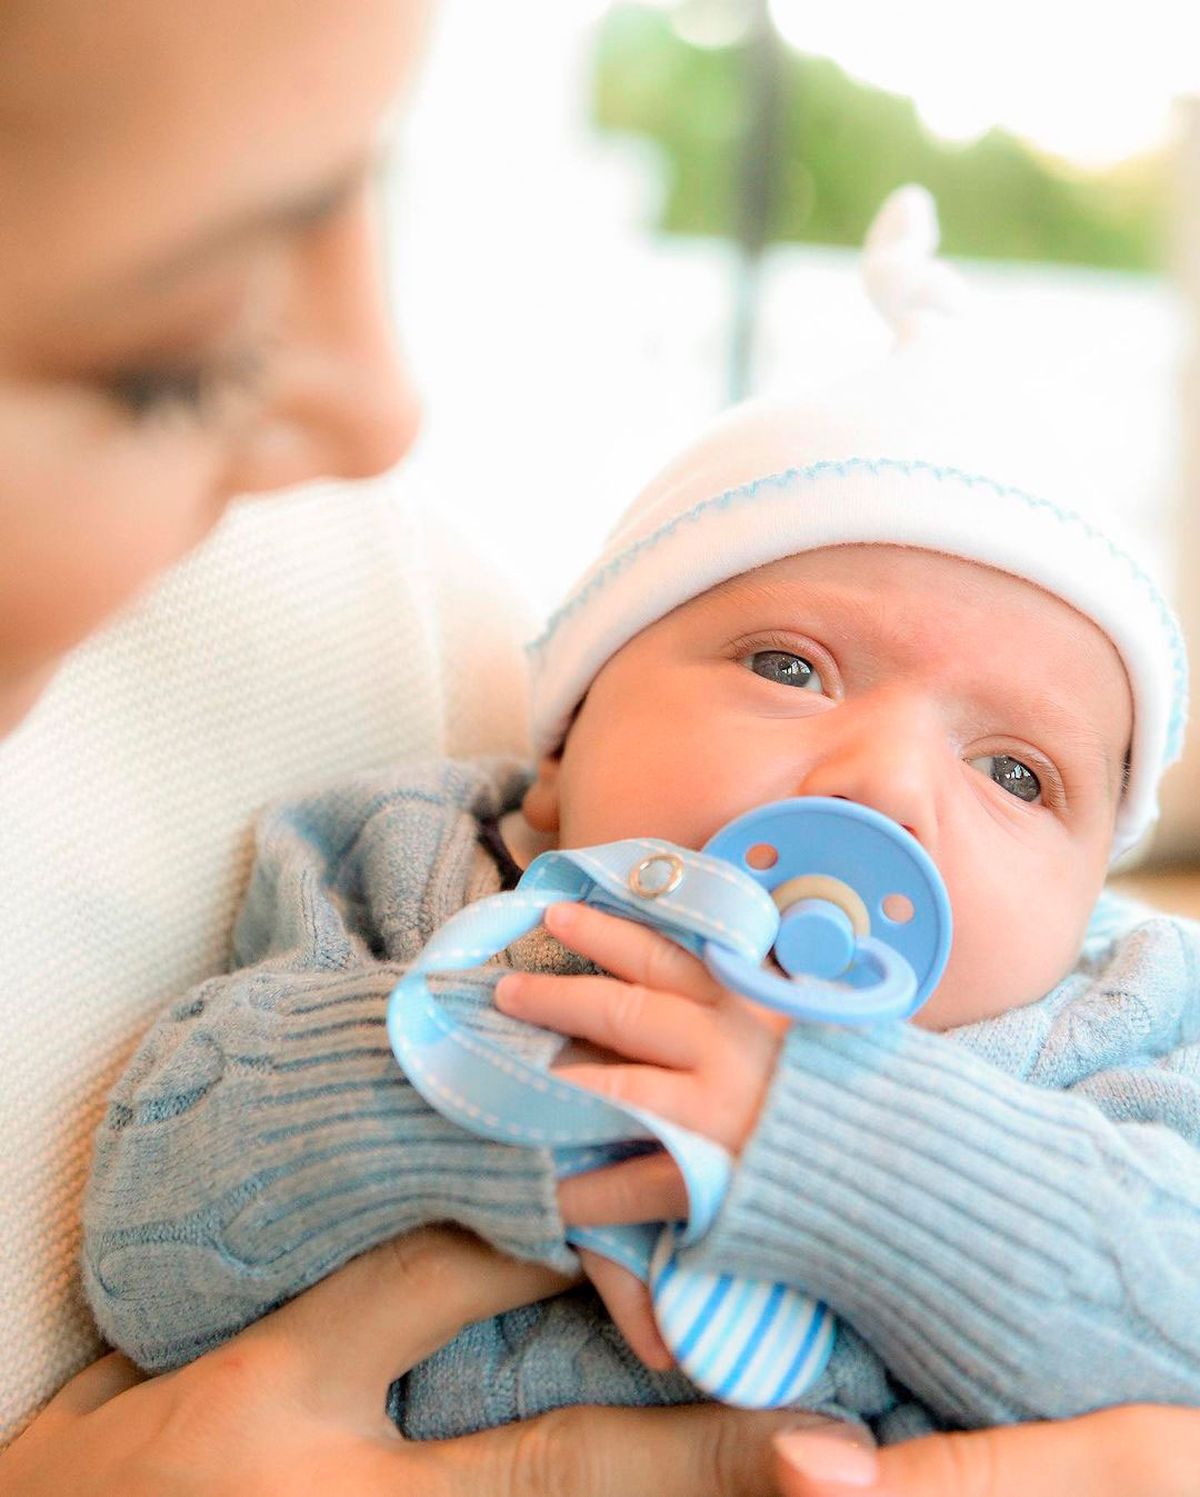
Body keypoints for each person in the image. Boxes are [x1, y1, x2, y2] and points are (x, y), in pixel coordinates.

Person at [0, 0, 1195, 1482]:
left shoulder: (1119, 1025)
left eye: (1019, 773)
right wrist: (529, 1065)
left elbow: (1181, 1332)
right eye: (789, 663)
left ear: (1091, 897)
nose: (885, 782)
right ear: (561, 742)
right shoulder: (411, 864)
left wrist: (846, 1145)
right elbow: (153, 1231)